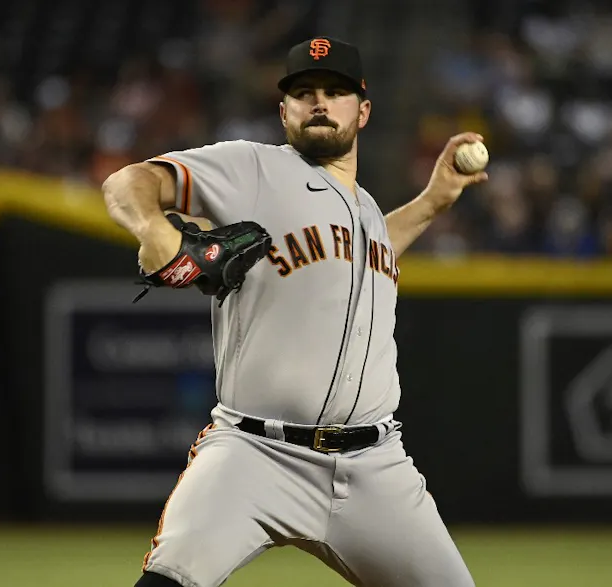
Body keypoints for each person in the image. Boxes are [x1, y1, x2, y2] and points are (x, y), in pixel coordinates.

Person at [102, 36, 488, 587]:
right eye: (304, 93)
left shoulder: (368, 212)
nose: (320, 103)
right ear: (284, 110)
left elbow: (364, 255)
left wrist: (430, 203)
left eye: (336, 91)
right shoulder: (252, 168)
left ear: (363, 109)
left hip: (374, 467)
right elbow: (128, 181)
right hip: (254, 453)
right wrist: (154, 229)